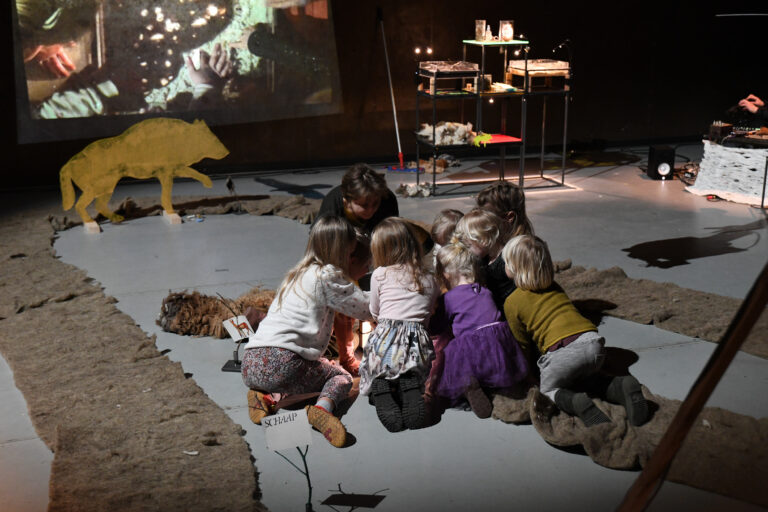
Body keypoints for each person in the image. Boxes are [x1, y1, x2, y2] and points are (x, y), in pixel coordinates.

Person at [240, 215, 372, 447]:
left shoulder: (297, 273)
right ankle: (323, 410)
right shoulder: (327, 275)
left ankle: (263, 396)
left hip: (251, 364)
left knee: (297, 374)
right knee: (341, 377)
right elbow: (364, 308)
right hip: (284, 363)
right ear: (342, 249)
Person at [501, 235, 650, 427]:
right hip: (594, 343)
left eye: (505, 262)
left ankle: (576, 403)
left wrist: (527, 375)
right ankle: (620, 386)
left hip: (564, 352)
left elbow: (521, 344)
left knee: (548, 391)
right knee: (586, 380)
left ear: (513, 268)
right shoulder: (555, 287)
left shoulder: (512, 302)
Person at [427, 243, 530, 418]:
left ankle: (469, 383)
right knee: (499, 365)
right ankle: (494, 384)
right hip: (498, 342)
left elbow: (438, 326)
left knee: (452, 352)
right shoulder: (485, 291)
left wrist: (429, 320)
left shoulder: (449, 298)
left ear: (444, 274)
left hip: (470, 347)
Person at [359, 218, 440, 432]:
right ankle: (410, 382)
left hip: (385, 338)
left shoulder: (380, 274)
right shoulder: (430, 279)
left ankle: (382, 384)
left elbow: (375, 311)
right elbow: (426, 317)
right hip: (416, 342)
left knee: (379, 364)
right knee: (412, 367)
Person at [452, 208, 515, 311]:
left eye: (469, 246)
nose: (468, 251)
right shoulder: (485, 259)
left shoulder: (507, 261)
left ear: (483, 240)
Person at [314, 163, 399, 235]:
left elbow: (392, 236)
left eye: (375, 203)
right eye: (364, 205)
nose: (370, 210)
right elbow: (319, 239)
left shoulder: (387, 198)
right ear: (347, 201)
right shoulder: (333, 203)